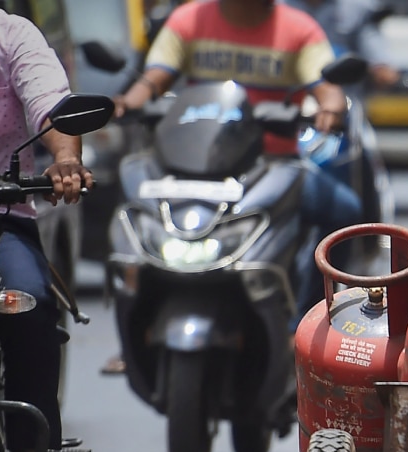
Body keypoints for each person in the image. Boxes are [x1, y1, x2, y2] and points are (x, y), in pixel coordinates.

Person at [114, 0, 364, 324]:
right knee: (136, 209)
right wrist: (126, 104)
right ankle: (139, 321)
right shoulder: (188, 19)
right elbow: (153, 80)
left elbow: (327, 89)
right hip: (194, 164)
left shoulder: (299, 29)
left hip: (272, 164)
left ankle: (308, 322)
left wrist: (330, 109)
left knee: (345, 211)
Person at [0, 5, 96, 452]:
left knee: (29, 304)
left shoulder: (10, 35)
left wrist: (65, 159)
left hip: (1, 216)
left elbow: (51, 104)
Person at [281, 0, 400, 89]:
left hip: (345, 100)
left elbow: (372, 42)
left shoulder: (357, 7)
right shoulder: (275, 7)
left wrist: (380, 68)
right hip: (287, 99)